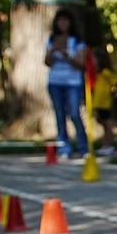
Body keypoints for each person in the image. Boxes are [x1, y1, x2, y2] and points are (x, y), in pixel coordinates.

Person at [44, 11, 88, 158]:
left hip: (73, 82)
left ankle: (83, 147)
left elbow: (81, 64)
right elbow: (47, 62)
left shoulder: (77, 41)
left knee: (74, 113)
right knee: (59, 114)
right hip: (55, 81)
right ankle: (64, 147)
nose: (62, 24)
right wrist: (53, 50)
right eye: (60, 20)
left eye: (65, 20)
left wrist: (67, 55)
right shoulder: (52, 40)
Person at [88, 46, 117, 151]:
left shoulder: (106, 72)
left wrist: (113, 92)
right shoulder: (98, 74)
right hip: (99, 103)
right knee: (104, 124)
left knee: (108, 124)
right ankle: (105, 145)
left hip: (104, 103)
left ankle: (109, 145)